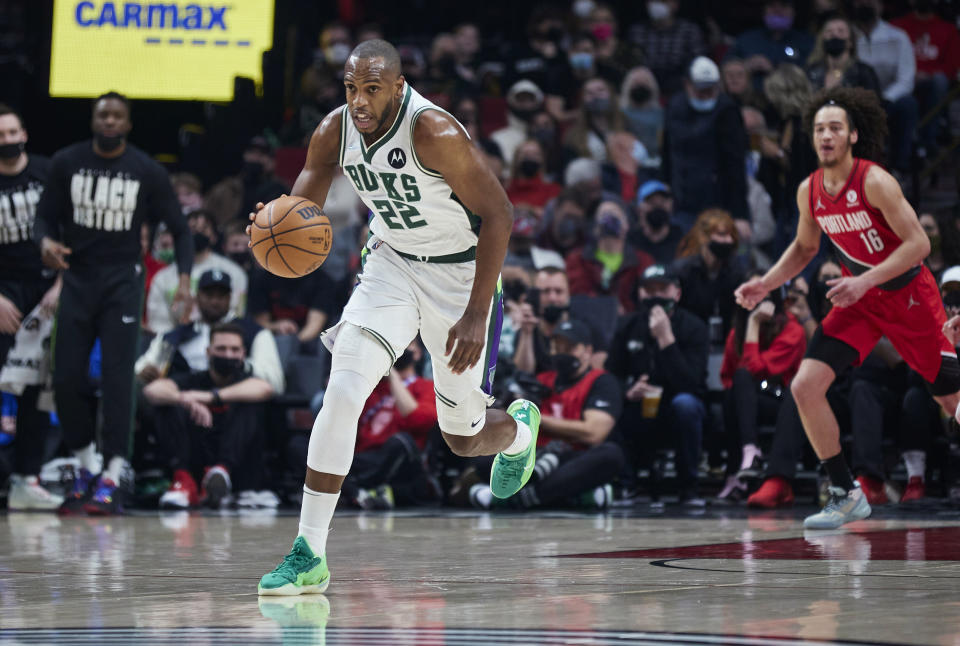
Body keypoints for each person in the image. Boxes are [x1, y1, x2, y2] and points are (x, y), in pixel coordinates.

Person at [252, 40, 539, 596]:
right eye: (351, 87)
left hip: (461, 278)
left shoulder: (434, 132)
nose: (359, 101)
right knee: (343, 390)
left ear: (399, 86)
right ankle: (308, 552)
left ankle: (518, 431)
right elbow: (300, 214)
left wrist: (478, 312)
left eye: (372, 89)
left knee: (461, 438)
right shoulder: (334, 130)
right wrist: (272, 228)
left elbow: (500, 213)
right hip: (392, 266)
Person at [735, 86, 960, 530]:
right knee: (805, 385)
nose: (826, 136)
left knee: (954, 402)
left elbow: (919, 245)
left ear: (853, 135)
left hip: (908, 296)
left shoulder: (874, 181)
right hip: (861, 299)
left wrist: (864, 281)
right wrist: (766, 283)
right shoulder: (810, 191)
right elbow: (803, 248)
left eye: (835, 128)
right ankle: (845, 492)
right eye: (819, 129)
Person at [34, 92, 194, 515]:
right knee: (66, 377)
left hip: (123, 280)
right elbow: (44, 219)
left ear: (127, 123)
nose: (109, 120)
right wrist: (46, 242)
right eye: (102, 113)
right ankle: (87, 464)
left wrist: (184, 280)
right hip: (78, 277)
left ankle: (113, 473)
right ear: (93, 119)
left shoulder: (146, 169)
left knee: (118, 378)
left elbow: (181, 229)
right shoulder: (66, 162)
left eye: (116, 115)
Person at [469, 319, 625, 510]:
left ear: (588, 351)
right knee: (483, 457)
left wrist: (539, 420)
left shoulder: (601, 382)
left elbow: (594, 433)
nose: (562, 352)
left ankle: (521, 497)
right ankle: (569, 497)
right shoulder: (542, 380)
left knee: (611, 455)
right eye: (557, 347)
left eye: (570, 347)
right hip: (534, 457)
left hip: (574, 458)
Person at [0, 104, 63, 510]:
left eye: (12, 132)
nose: (7, 140)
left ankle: (26, 478)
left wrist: (61, 284)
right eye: (0, 134)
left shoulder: (46, 172)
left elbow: (71, 229)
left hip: (45, 293)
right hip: (2, 292)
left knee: (38, 391)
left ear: (24, 134)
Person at [143, 322, 275, 509]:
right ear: (208, 352)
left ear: (243, 354)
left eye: (234, 349)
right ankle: (184, 481)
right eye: (221, 349)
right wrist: (184, 399)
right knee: (169, 405)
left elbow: (265, 389)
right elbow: (152, 390)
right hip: (197, 455)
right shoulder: (194, 379)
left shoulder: (248, 381)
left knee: (251, 404)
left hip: (237, 464)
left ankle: (221, 473)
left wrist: (210, 397)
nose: (228, 355)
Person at [606, 264, 708, 504]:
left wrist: (666, 339)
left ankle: (688, 488)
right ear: (640, 294)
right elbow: (610, 376)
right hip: (638, 406)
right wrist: (627, 391)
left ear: (677, 293)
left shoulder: (694, 328)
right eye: (649, 290)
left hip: (677, 407)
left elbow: (692, 384)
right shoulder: (626, 326)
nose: (655, 296)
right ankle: (626, 485)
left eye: (662, 289)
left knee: (686, 405)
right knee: (609, 405)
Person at [719, 278, 806, 501]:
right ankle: (742, 463)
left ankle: (749, 460)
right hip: (751, 402)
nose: (757, 303)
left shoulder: (793, 330)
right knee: (734, 392)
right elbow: (726, 376)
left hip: (784, 404)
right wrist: (743, 394)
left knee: (743, 377)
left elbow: (755, 368)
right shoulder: (735, 332)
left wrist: (754, 323)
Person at [662, 57, 749, 222]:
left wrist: (739, 214)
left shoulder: (727, 111)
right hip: (682, 197)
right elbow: (667, 151)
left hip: (717, 198)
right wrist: (666, 188)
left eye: (711, 90)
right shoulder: (675, 107)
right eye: (701, 90)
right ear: (688, 84)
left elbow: (735, 164)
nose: (707, 96)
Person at [146, 210, 248, 335]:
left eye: (204, 229)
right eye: (192, 228)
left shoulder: (234, 273)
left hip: (223, 341)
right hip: (176, 343)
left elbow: (236, 315)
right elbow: (159, 324)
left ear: (214, 236)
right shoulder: (163, 277)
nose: (198, 233)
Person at [852, 0, 918, 173]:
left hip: (889, 101)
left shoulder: (898, 36)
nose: (865, 5)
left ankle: (899, 167)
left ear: (881, 6)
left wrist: (885, 99)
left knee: (908, 104)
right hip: (854, 100)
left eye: (871, 1)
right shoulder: (847, 35)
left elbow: (906, 79)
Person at [628, 0, 706, 98]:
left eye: (664, 1)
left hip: (680, 90)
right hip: (644, 87)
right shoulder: (637, 31)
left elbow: (698, 65)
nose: (658, 4)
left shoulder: (689, 31)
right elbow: (631, 65)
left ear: (676, 4)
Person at [629, 180, 685, 263]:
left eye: (663, 202)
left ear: (671, 205)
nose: (658, 207)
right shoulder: (630, 241)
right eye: (651, 202)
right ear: (639, 208)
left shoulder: (682, 239)